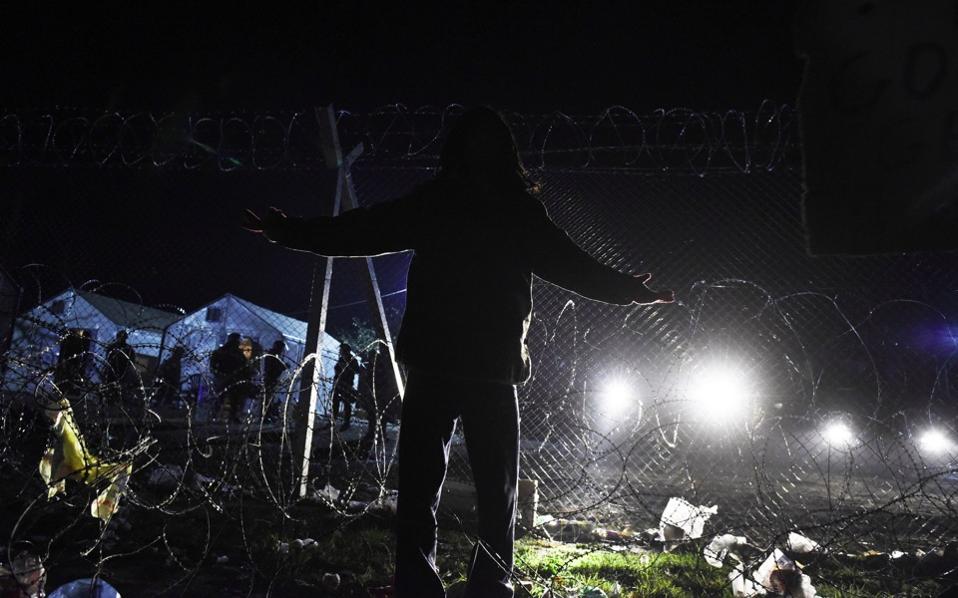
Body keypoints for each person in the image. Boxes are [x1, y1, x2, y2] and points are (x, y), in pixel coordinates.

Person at [243, 106, 674, 598]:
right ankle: (488, 585)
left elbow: (362, 230)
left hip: (437, 359)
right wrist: (626, 289)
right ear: (508, 155)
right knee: (495, 490)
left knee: (426, 485)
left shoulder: (441, 201)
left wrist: (290, 232)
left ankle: (420, 583)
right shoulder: (512, 209)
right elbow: (570, 264)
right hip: (487, 364)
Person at [209, 333, 244, 422]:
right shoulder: (232, 352)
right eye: (237, 340)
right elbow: (213, 365)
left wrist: (217, 374)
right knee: (230, 398)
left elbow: (213, 365)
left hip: (227, 377)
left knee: (225, 398)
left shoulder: (224, 350)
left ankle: (215, 416)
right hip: (228, 377)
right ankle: (219, 415)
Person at [103, 329, 138, 408]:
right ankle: (112, 400)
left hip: (120, 370)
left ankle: (115, 401)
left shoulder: (126, 348)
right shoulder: (124, 348)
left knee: (117, 386)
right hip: (115, 370)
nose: (121, 339)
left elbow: (132, 360)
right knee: (114, 386)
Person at [331, 343, 359, 431]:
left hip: (346, 384)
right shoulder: (341, 358)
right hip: (338, 383)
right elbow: (337, 369)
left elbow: (357, 371)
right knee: (335, 401)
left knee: (346, 403)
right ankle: (333, 420)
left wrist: (347, 367)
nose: (340, 351)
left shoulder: (352, 360)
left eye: (341, 350)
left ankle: (346, 422)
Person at [262, 339, 289, 421]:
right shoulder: (273, 355)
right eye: (282, 349)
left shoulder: (274, 355)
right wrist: (283, 367)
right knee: (268, 398)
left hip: (272, 378)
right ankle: (265, 416)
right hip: (270, 378)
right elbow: (274, 368)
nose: (282, 351)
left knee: (269, 398)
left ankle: (267, 415)